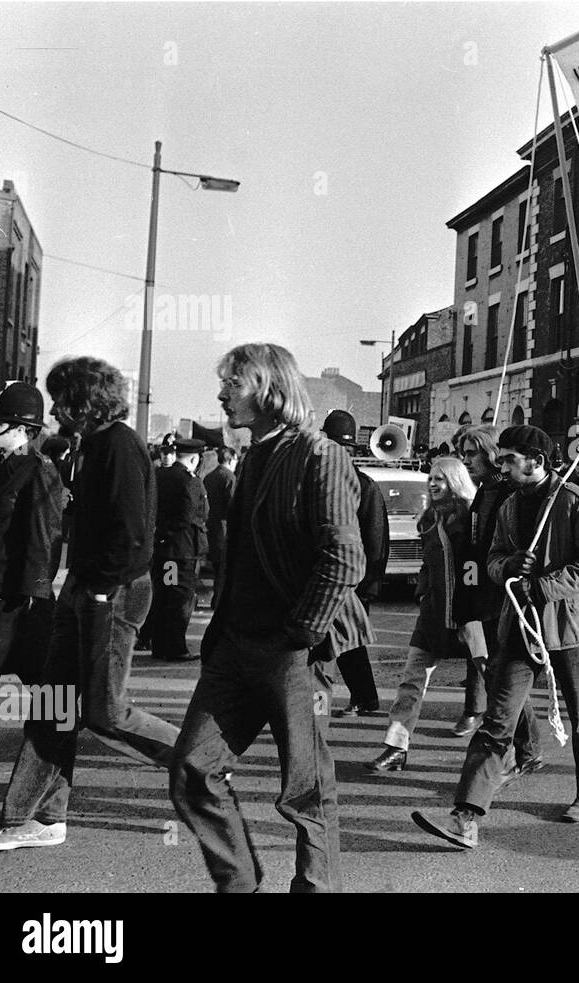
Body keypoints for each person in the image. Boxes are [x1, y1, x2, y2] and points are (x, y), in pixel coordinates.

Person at [169, 343, 371, 893]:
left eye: (233, 384)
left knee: (305, 791)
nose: (221, 394)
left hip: (291, 651)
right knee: (193, 769)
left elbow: (344, 557)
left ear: (269, 389)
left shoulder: (319, 455)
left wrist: (301, 633)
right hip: (236, 646)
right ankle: (239, 883)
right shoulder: (253, 457)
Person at [0, 358, 180, 853]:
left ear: (84, 399)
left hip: (111, 592)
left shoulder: (119, 445)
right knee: (55, 705)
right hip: (87, 588)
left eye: (64, 398)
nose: (58, 410)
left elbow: (133, 536)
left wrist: (100, 591)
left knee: (103, 711)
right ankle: (37, 819)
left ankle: (200, 757)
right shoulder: (93, 445)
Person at [412, 425, 579, 847]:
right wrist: (508, 567)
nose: (500, 465)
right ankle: (465, 817)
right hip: (520, 623)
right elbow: (493, 559)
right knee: (498, 719)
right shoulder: (509, 506)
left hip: (569, 627)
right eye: (499, 459)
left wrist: (544, 585)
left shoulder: (575, 501)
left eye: (508, 459)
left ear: (535, 461)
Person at [0, 383, 64, 820]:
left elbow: (42, 541)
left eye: (2, 425)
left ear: (23, 429)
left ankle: (46, 804)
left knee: (50, 702)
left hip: (14, 605)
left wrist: (32, 597)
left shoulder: (38, 471)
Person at [363, 457, 488, 771]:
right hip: (433, 613)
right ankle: (396, 747)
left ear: (455, 482)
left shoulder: (471, 518)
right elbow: (426, 564)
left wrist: (469, 608)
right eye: (431, 479)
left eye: (441, 480)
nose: (433, 484)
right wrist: (422, 592)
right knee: (411, 680)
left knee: (497, 680)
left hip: (468, 613)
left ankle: (522, 744)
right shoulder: (430, 517)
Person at [442, 423, 540, 767]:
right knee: (497, 675)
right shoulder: (482, 492)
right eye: (463, 454)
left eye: (472, 454)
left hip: (504, 599)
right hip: (482, 594)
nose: (466, 461)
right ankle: (527, 751)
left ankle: (521, 752)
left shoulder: (505, 494)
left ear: (491, 455)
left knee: (503, 678)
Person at [320, 410, 389, 718]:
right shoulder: (333, 482)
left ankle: (362, 698)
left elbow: (376, 542)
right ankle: (362, 698)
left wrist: (368, 586)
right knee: (340, 645)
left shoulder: (364, 486)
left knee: (347, 645)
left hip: (355, 582)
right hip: (337, 578)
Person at [146, 437, 208, 661]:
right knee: (179, 599)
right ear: (194, 458)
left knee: (163, 595)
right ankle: (176, 648)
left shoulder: (160, 475)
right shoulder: (189, 481)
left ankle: (160, 645)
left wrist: (159, 537)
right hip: (181, 551)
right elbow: (187, 516)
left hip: (164, 552)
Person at [202, 445, 238, 609]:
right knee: (224, 570)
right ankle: (218, 601)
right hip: (224, 530)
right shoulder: (229, 477)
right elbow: (233, 507)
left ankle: (217, 599)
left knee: (217, 568)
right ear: (231, 459)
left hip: (210, 528)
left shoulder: (209, 477)